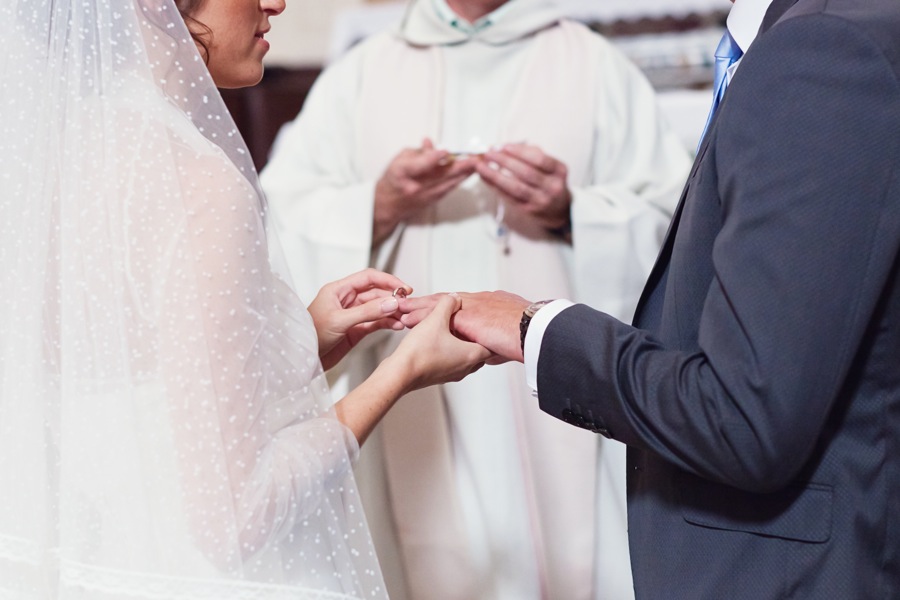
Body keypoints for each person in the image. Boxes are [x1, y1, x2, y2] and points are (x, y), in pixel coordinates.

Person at [400, 0, 900, 597]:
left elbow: (744, 414)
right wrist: (374, 208)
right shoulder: (368, 69)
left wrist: (536, 323)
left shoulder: (819, 51)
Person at [0, 0, 489, 597]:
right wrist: (402, 371)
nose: (276, 2)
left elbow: (137, 386)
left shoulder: (56, 159)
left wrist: (300, 336)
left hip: (105, 568)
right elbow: (234, 516)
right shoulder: (198, 186)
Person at [261, 1, 690, 598]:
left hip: (548, 382)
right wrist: (378, 205)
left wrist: (572, 212)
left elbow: (679, 227)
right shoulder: (363, 72)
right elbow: (276, 217)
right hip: (407, 384)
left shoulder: (595, 67)